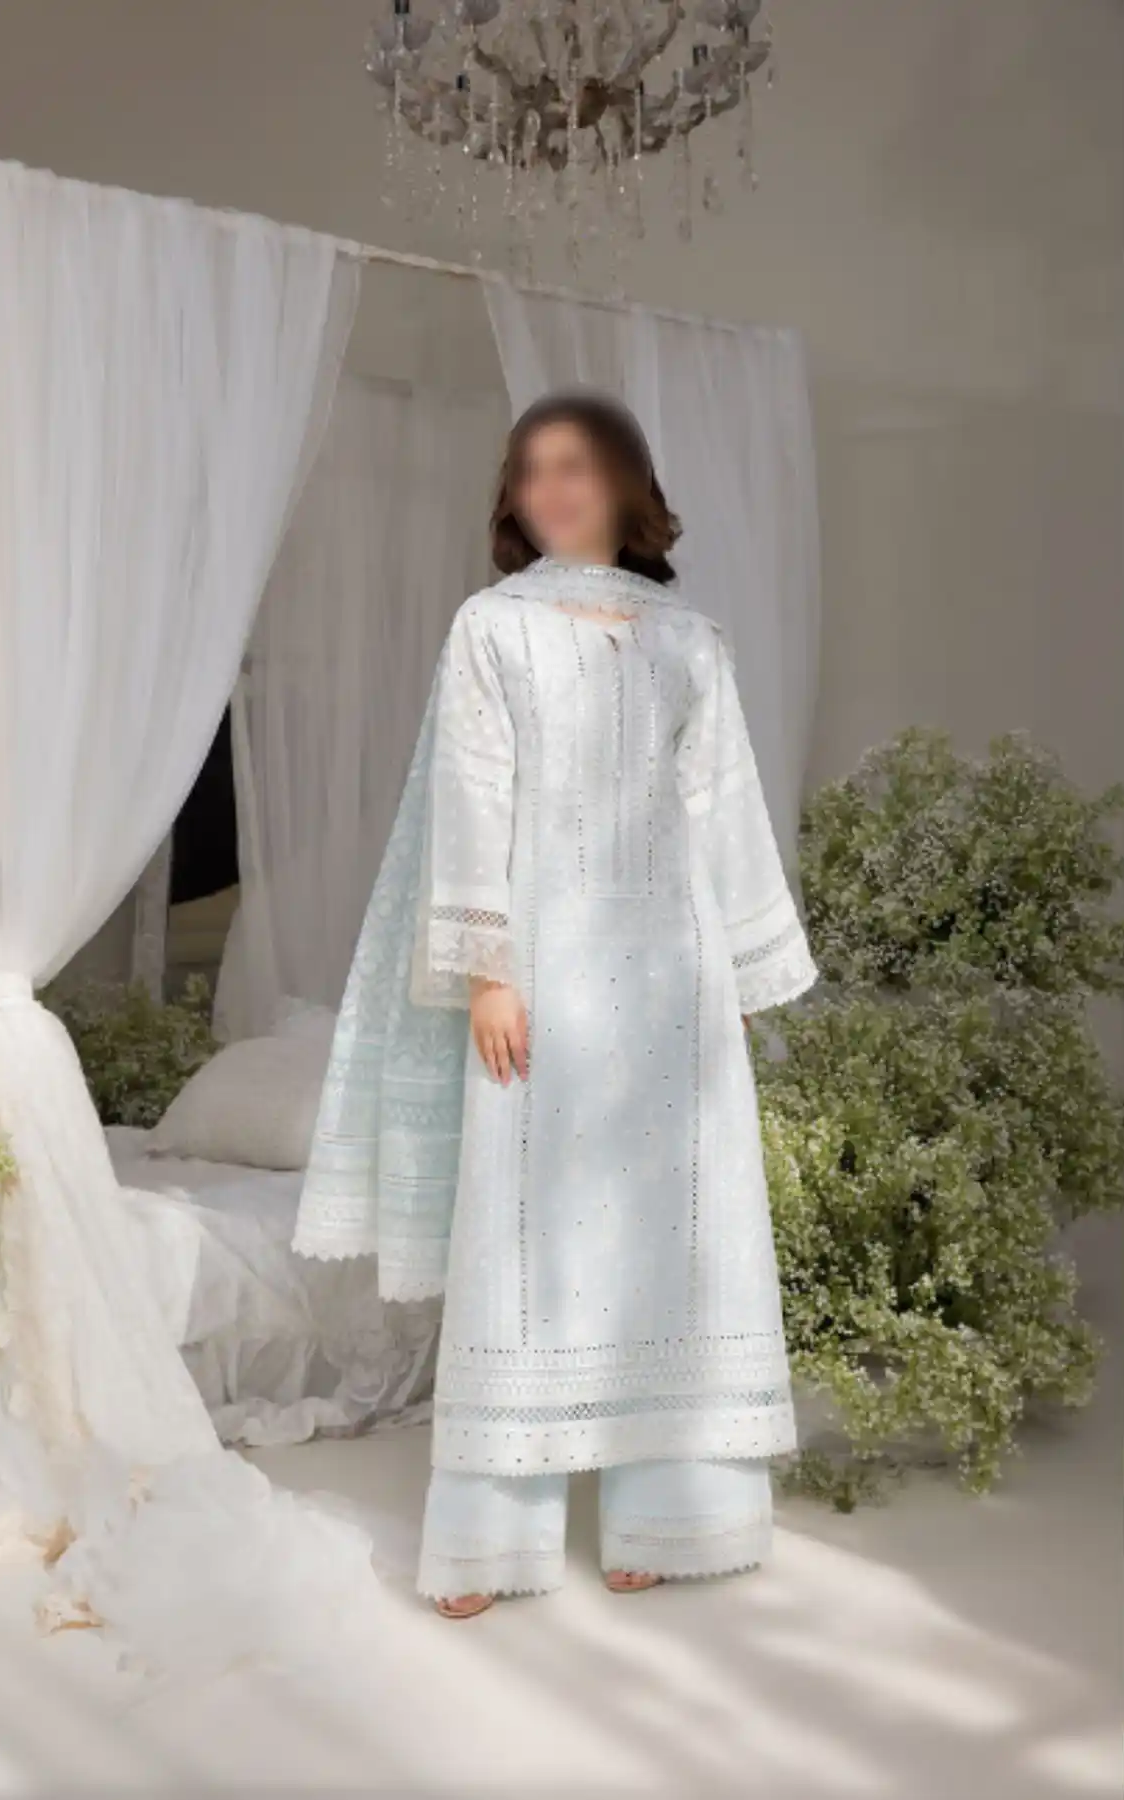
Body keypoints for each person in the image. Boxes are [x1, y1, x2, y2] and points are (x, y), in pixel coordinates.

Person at [293, 390, 817, 1618]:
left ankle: (671, 1521)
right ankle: (491, 1542)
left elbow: (723, 806)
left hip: (674, 975)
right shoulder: (492, 628)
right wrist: (489, 972)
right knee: (525, 1242)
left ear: (625, 481)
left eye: (573, 465)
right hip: (542, 967)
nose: (549, 490)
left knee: (672, 1238)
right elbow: (473, 794)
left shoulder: (691, 640)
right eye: (529, 471)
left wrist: (739, 984)